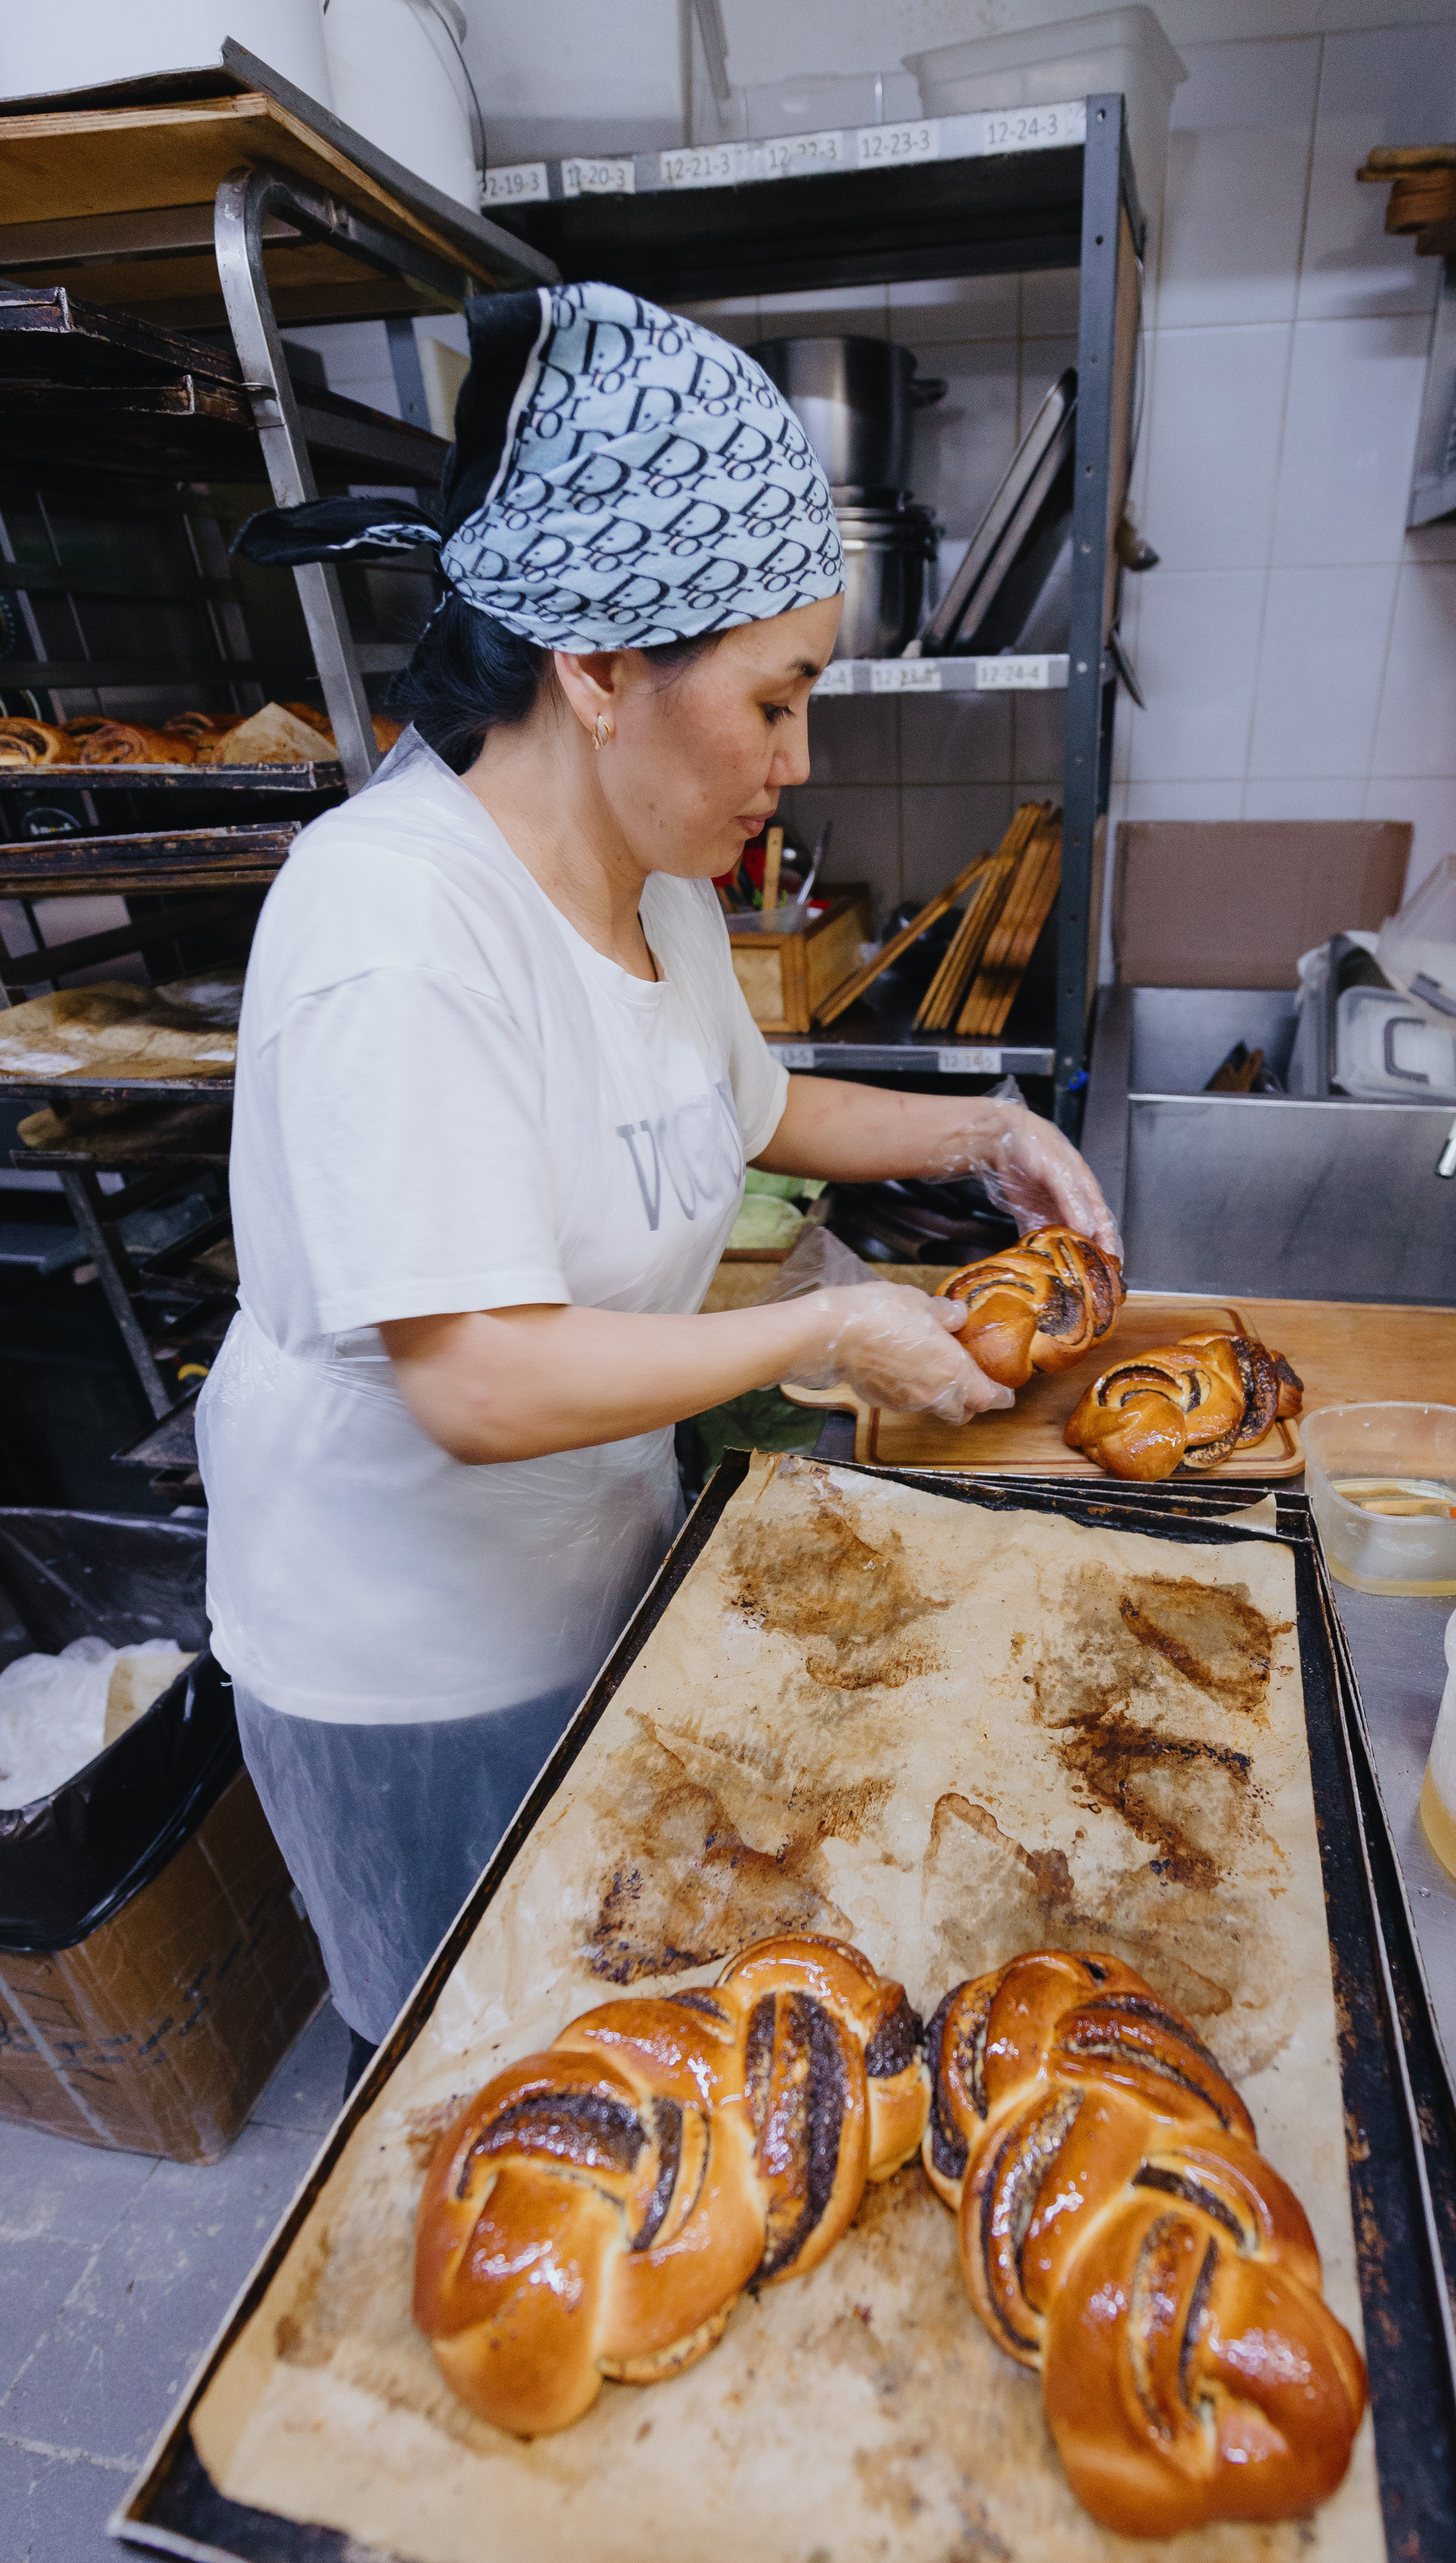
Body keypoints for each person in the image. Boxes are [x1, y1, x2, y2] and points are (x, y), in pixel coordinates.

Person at [197, 284, 1119, 2090]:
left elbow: (747, 1103)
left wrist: (980, 1133)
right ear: (599, 667)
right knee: (477, 2080)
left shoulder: (660, 883)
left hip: (596, 1578)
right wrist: (839, 1321)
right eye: (773, 700)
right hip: (410, 1650)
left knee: (615, 2037)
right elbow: (476, 1378)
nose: (796, 762)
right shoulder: (394, 921)